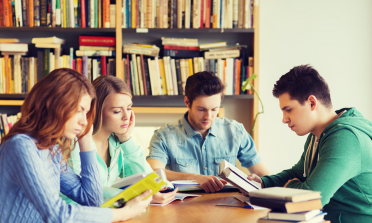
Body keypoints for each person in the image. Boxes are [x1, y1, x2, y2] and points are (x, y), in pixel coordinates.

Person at [0, 68, 152, 223]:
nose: (84, 121)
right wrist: (124, 213)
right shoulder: (21, 147)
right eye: (79, 111)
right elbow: (57, 214)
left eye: (86, 114)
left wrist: (85, 140)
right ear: (54, 105)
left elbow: (91, 200)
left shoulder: (51, 149)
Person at [247, 65, 372, 223]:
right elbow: (299, 172)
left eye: (288, 110)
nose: (284, 119)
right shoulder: (317, 135)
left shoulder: (345, 138)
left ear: (312, 103)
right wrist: (264, 182)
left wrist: (292, 185)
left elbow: (311, 198)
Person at [147, 71, 270, 193]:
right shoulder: (163, 136)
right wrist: (194, 178)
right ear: (187, 102)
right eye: (201, 109)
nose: (208, 116)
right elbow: (154, 172)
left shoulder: (235, 131)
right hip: (183, 208)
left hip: (230, 205)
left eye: (214, 109)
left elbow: (264, 175)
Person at [66, 75, 177, 204]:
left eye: (129, 108)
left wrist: (126, 139)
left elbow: (148, 179)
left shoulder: (116, 143)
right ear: (97, 111)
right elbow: (82, 193)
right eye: (117, 111)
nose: (126, 116)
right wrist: (136, 195)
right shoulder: (77, 143)